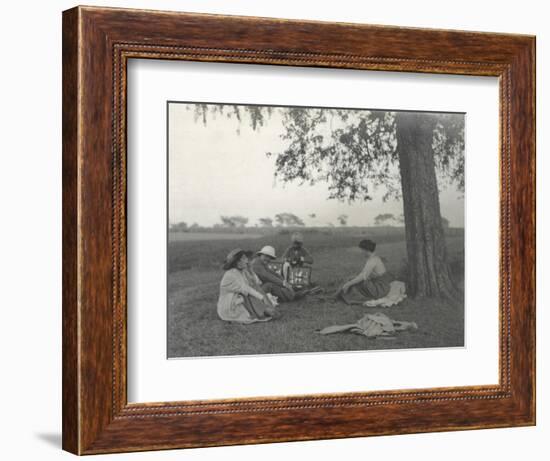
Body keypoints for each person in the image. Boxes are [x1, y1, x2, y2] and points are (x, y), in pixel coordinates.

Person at [217, 248, 274, 323]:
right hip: (229, 305)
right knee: (249, 293)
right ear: (238, 262)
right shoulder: (232, 274)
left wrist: (250, 269)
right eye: (244, 258)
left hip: (238, 298)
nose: (247, 260)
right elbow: (246, 289)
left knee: (255, 288)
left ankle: (265, 310)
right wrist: (263, 298)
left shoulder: (242, 271)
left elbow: (257, 282)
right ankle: (263, 311)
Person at [336, 239, 393, 303]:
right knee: (353, 279)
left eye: (362, 250)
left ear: (366, 250)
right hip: (382, 285)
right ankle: (339, 293)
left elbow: (362, 276)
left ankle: (339, 295)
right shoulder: (375, 257)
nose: (361, 252)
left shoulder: (372, 261)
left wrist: (348, 284)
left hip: (380, 288)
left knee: (354, 282)